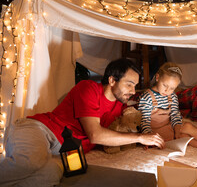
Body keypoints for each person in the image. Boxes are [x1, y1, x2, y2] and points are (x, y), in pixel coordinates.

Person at [0, 58, 165, 186]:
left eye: (135, 86)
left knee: (48, 177)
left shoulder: (119, 106)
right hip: (41, 129)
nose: (133, 91)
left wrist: (149, 136)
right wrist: (139, 137)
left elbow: (120, 132)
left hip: (63, 151)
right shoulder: (89, 88)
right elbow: (95, 134)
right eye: (129, 85)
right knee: (29, 162)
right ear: (112, 80)